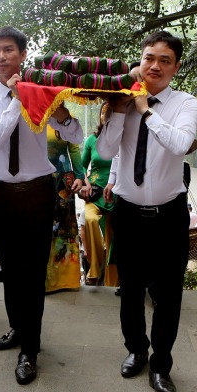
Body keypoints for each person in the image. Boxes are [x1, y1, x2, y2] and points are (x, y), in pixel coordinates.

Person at [0, 27, 83, 385]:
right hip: (2, 192)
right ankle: (17, 328)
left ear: (22, 54)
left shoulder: (42, 93)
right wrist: (21, 98)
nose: (1, 57)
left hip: (37, 191)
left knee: (33, 273)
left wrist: (60, 114)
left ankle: (30, 350)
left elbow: (75, 136)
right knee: (9, 268)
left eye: (8, 50)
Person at [96, 31, 197, 392]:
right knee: (130, 291)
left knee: (169, 295)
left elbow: (177, 144)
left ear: (176, 66)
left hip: (169, 214)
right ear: (140, 60)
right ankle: (136, 350)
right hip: (127, 213)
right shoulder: (123, 101)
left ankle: (161, 365)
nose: (154, 66)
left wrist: (145, 110)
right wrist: (118, 113)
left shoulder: (186, 104)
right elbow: (107, 153)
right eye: (149, 58)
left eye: (164, 60)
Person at [79, 103, 118, 287]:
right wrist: (85, 184)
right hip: (94, 194)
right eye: (104, 111)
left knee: (114, 239)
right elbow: (80, 167)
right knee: (90, 219)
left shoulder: (123, 138)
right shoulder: (92, 140)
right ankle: (95, 267)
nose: (106, 114)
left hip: (117, 196)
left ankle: (112, 283)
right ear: (100, 116)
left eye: (111, 111)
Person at [45, 125, 84, 291]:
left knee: (64, 229)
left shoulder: (65, 119)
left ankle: (63, 279)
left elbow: (74, 147)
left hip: (63, 179)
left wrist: (80, 176)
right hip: (38, 179)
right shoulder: (32, 113)